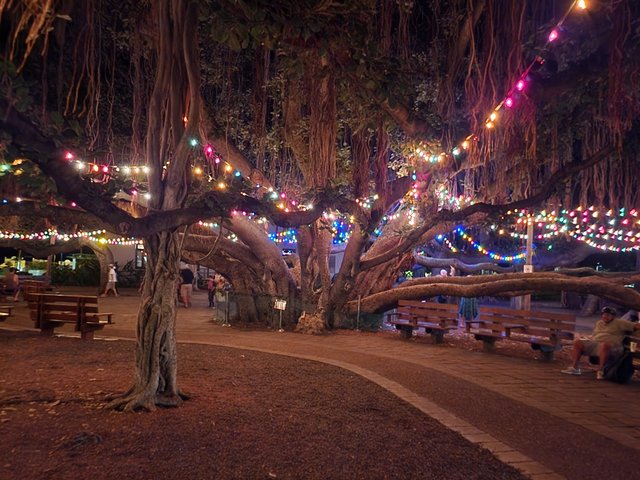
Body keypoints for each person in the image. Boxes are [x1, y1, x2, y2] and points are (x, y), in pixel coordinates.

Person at [561, 306, 640, 379]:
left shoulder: (619, 322)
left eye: (608, 315)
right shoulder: (599, 323)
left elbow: (636, 326)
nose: (605, 317)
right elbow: (595, 335)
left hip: (613, 347)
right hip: (596, 344)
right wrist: (587, 338)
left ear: (613, 316)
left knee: (604, 345)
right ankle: (575, 368)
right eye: (604, 315)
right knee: (577, 342)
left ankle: (601, 371)